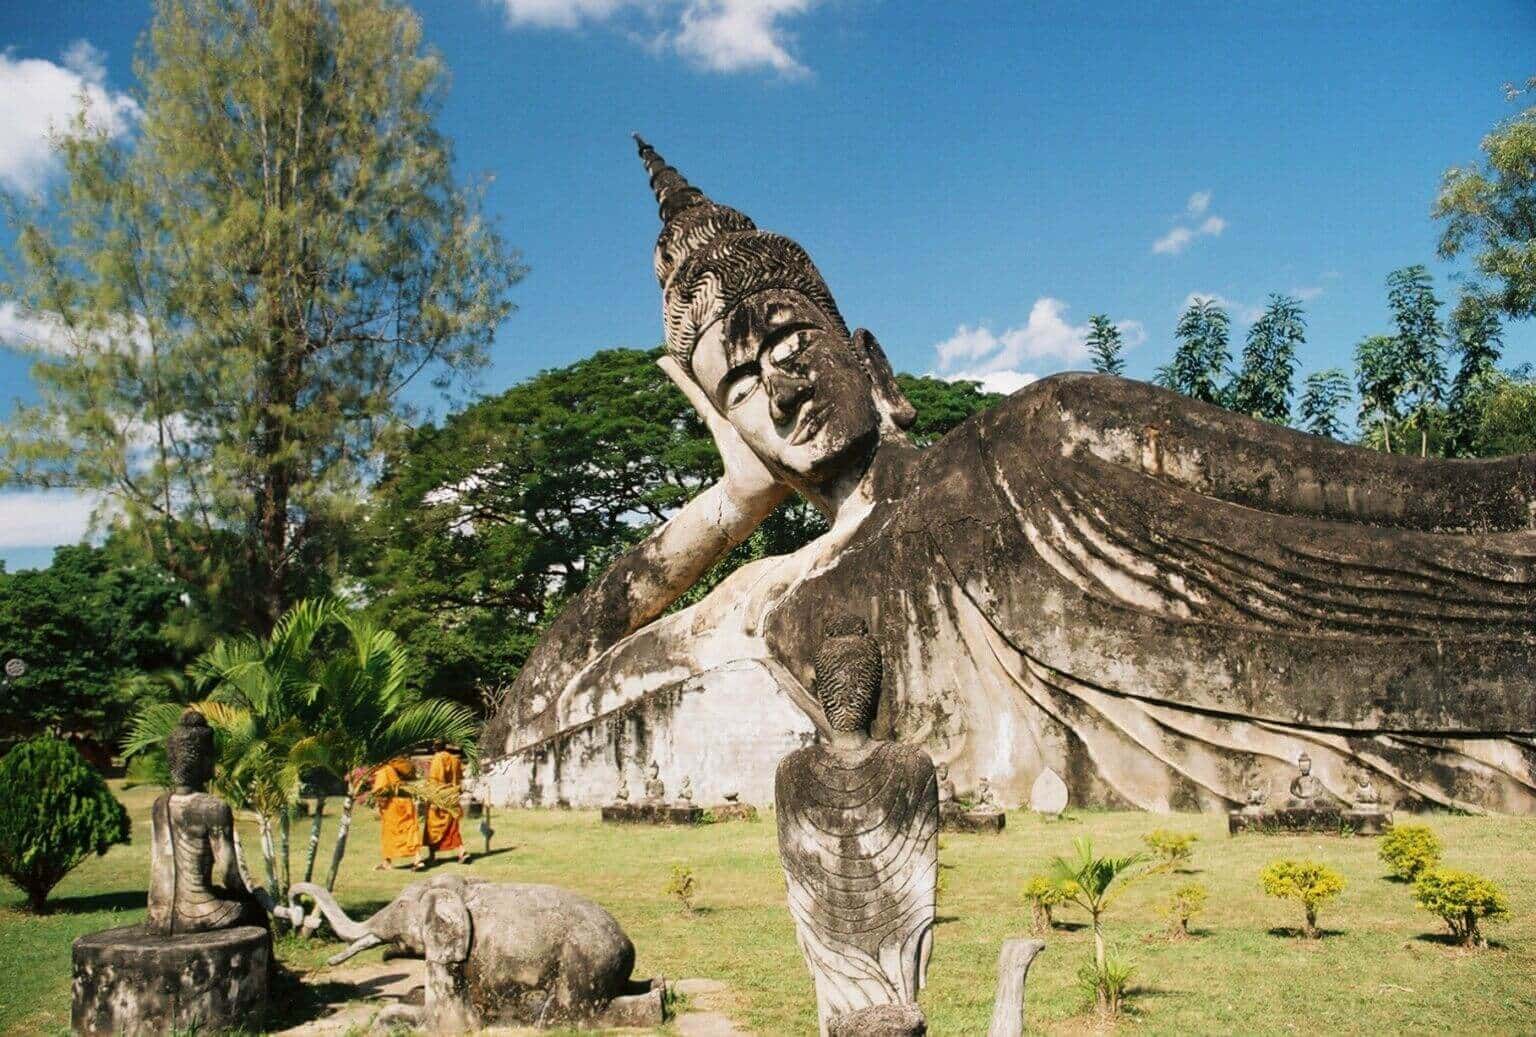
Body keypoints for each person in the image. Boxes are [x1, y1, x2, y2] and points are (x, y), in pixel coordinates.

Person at [483, 139, 1536, 815]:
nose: (784, 384)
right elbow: (525, 726)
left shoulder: (1043, 425)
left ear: (872, 359)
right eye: (744, 383)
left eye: (792, 339)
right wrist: (731, 503)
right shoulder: (766, 595)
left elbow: (1415, 500)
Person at [373, 757, 422, 871]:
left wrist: (379, 804)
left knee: (389, 833)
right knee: (410, 829)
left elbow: (380, 790)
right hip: (406, 802)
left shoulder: (385, 770)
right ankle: (417, 860)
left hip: (393, 804)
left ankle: (387, 863)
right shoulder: (398, 766)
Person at [425, 741, 469, 865]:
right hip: (452, 797)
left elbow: (435, 780)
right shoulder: (455, 760)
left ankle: (432, 857)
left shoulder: (437, 759)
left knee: (432, 828)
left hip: (440, 798)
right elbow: (460, 778)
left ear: (436, 747)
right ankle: (462, 852)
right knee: (452, 827)